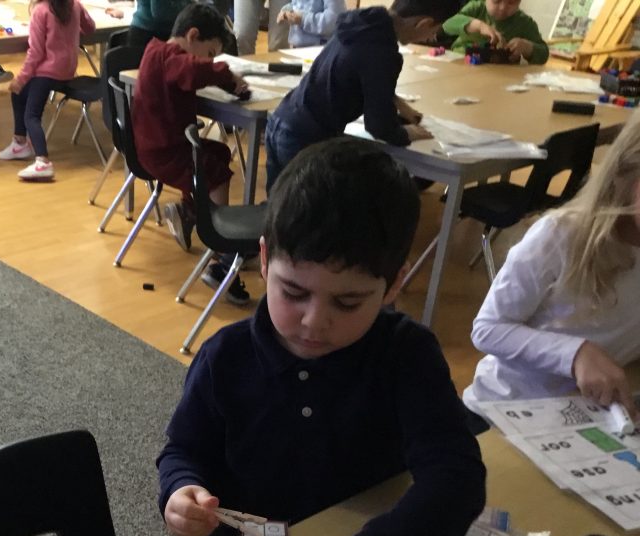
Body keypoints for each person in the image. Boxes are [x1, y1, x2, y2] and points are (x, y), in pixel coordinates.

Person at [157, 137, 486, 536]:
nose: (315, 321)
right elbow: (183, 450)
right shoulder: (225, 358)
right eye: (293, 292)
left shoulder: (407, 355)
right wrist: (180, 491)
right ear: (265, 259)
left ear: (394, 284)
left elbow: (458, 477)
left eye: (348, 302)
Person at [464, 112, 640, 419]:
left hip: (591, 415)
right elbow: (488, 329)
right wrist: (575, 354)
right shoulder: (561, 235)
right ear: (625, 174)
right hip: (506, 409)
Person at [264, 0, 461, 194]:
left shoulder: (363, 25)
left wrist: (400, 105)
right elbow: (379, 126)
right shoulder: (383, 51)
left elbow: (361, 75)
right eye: (435, 31)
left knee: (276, 206)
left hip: (281, 120)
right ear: (423, 23)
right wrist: (407, 133)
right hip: (305, 137)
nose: (432, 38)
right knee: (306, 209)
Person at [131, 3, 252, 304]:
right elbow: (192, 69)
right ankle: (221, 256)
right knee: (217, 174)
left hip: (157, 147)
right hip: (165, 153)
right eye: (210, 52)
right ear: (192, 35)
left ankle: (188, 211)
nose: (209, 60)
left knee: (219, 152)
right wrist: (226, 73)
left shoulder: (155, 50)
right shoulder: (171, 58)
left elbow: (190, 71)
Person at [0, 0, 96, 181]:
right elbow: (90, 28)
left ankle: (42, 161)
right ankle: (19, 143)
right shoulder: (74, 4)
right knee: (18, 94)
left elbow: (35, 53)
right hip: (67, 70)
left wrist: (21, 79)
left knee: (31, 116)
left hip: (47, 72)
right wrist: (69, 34)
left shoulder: (40, 11)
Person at [442, 0, 548, 65]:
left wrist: (528, 48)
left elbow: (544, 53)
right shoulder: (477, 8)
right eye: (496, 1)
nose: (503, 8)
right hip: (462, 61)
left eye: (511, 2)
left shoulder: (525, 23)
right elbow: (447, 25)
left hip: (501, 72)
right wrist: (477, 25)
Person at [276, 0, 346, 48]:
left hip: (320, 50)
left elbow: (333, 21)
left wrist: (302, 19)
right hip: (296, 49)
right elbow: (298, 5)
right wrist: (286, 10)